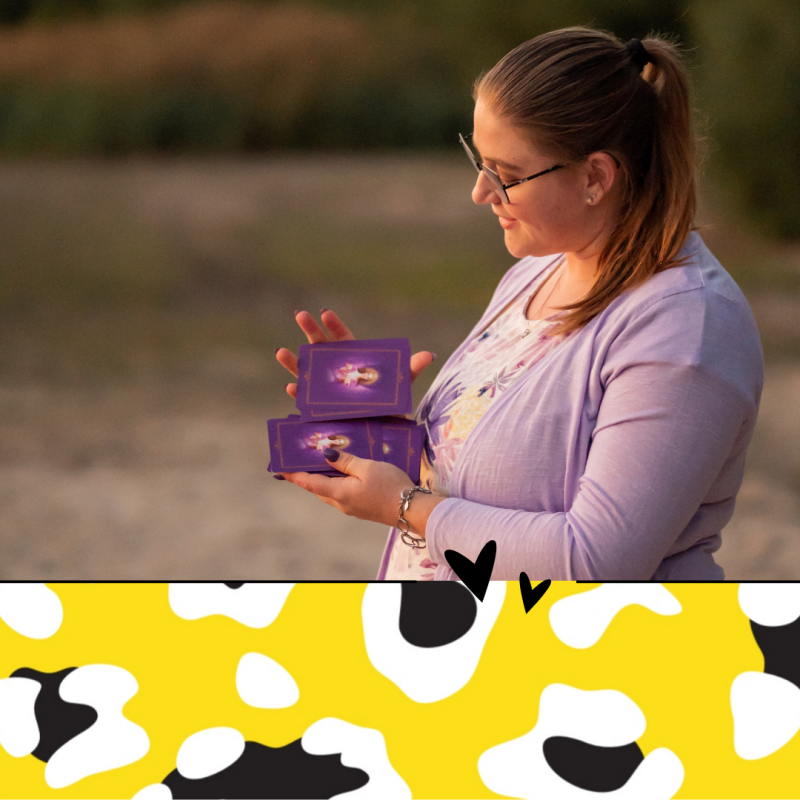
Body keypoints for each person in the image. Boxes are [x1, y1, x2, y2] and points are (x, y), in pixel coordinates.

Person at [274, 27, 763, 581]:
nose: (481, 193)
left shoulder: (687, 326)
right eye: (479, 162)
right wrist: (387, 435)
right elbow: (491, 479)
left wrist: (402, 507)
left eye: (506, 176)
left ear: (596, 177)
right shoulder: (534, 274)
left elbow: (596, 561)